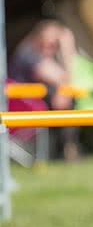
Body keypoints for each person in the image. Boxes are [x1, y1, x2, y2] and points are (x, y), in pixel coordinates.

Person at [8, 20, 79, 161]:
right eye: (49, 43)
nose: (51, 47)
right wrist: (67, 48)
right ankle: (66, 151)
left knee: (65, 98)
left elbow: (65, 82)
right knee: (65, 101)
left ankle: (67, 150)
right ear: (38, 38)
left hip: (35, 104)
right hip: (21, 106)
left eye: (56, 44)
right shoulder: (29, 54)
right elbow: (62, 78)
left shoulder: (41, 53)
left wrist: (62, 90)